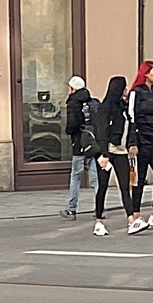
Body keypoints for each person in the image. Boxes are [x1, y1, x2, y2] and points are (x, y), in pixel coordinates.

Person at [127, 59, 153, 231]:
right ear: (145, 74)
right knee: (139, 179)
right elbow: (131, 118)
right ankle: (136, 215)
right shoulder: (136, 93)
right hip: (142, 139)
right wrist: (132, 142)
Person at [90, 74, 134, 238]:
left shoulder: (123, 107)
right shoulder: (106, 107)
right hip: (107, 152)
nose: (126, 90)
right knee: (102, 187)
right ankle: (99, 221)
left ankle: (131, 220)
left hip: (121, 151)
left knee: (125, 186)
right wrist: (104, 154)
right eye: (124, 87)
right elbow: (101, 131)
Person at [61, 76, 91, 217]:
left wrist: (69, 131)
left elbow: (72, 123)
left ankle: (72, 208)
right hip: (92, 143)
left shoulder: (73, 102)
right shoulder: (90, 100)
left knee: (76, 175)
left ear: (73, 88)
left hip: (79, 142)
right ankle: (100, 209)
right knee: (96, 178)